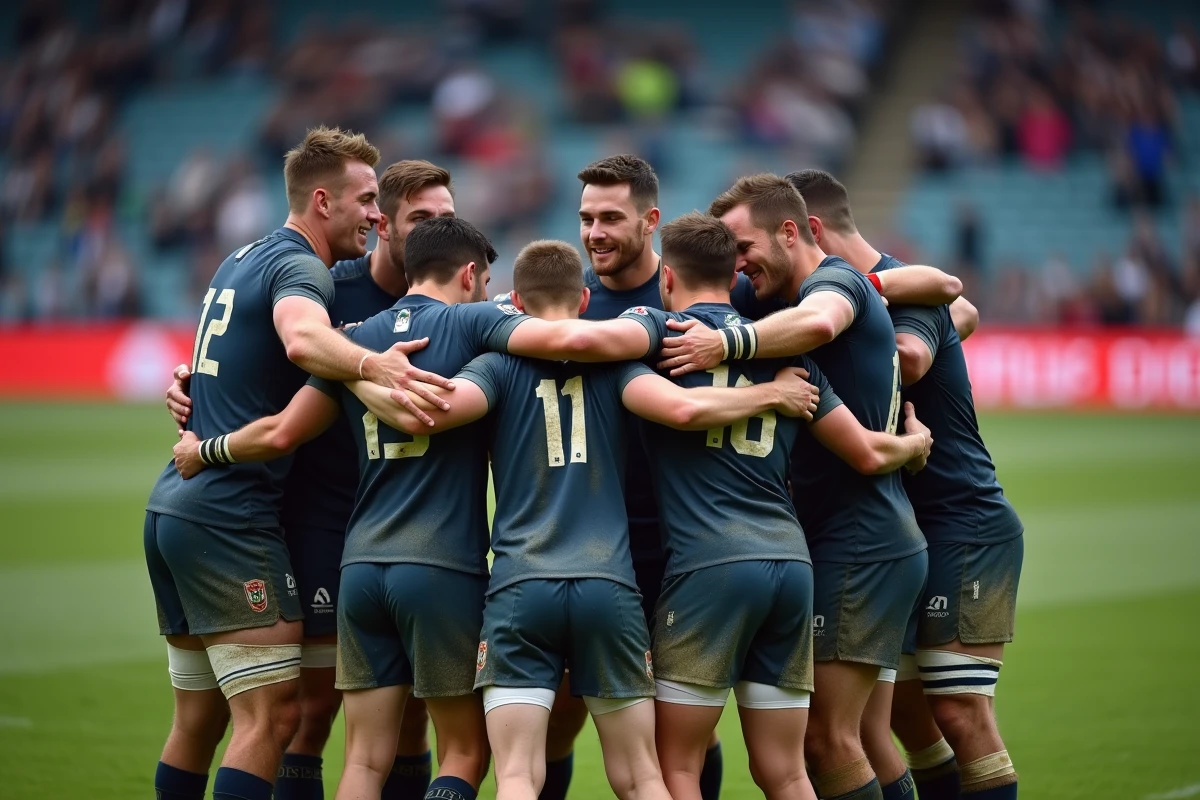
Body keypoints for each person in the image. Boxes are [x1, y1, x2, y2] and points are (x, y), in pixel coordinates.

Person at [359, 238, 821, 800]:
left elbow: (428, 412)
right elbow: (685, 408)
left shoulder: (494, 366)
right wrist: (770, 393)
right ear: (584, 299)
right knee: (642, 776)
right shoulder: (618, 368)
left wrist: (354, 370)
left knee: (518, 775)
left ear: (516, 305)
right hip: (610, 589)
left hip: (522, 586)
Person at [143, 127, 453, 800]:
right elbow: (299, 341)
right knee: (290, 718)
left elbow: (236, 356)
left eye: (447, 218)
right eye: (379, 206)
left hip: (393, 531)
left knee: (217, 719)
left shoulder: (461, 298)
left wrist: (194, 388)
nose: (433, 231)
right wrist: (373, 364)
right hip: (280, 520)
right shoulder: (318, 279)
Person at [657, 175, 938, 800]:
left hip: (858, 544)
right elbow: (950, 296)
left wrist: (723, 343)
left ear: (791, 231)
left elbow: (819, 323)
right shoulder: (777, 314)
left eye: (745, 246)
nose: (737, 263)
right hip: (853, 540)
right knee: (859, 738)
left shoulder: (832, 286)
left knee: (828, 742)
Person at [793, 169, 1023, 800]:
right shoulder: (883, 288)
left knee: (959, 712)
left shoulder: (900, 290)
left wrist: (860, 299)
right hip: (895, 532)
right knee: (902, 719)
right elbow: (962, 308)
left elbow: (914, 356)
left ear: (808, 231)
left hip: (960, 520)